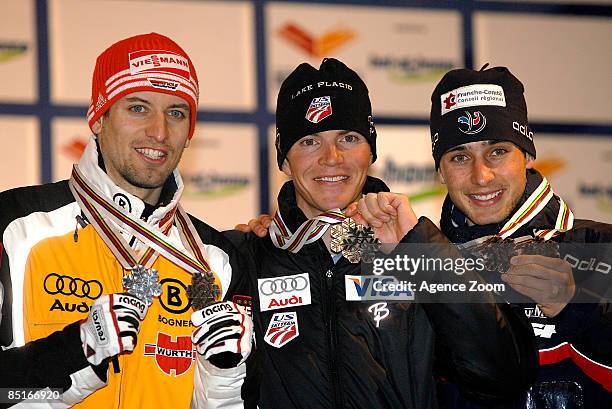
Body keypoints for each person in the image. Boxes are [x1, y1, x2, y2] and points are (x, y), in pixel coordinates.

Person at [230, 58, 538, 408]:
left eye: (348, 138)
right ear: (284, 160)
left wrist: (421, 251)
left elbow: (502, 379)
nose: (332, 158)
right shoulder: (245, 257)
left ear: (370, 152)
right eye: (309, 141)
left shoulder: (419, 250)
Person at [0, 33, 253, 408]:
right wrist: (77, 350)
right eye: (138, 108)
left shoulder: (217, 259)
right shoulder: (15, 225)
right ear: (98, 118)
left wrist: (222, 376)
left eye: (177, 113)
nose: (159, 131)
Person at [426, 66, 612, 408]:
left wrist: (578, 308)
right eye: (459, 157)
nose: (481, 176)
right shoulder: (428, 269)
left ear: (526, 155)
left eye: (498, 151)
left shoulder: (602, 248)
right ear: (440, 170)